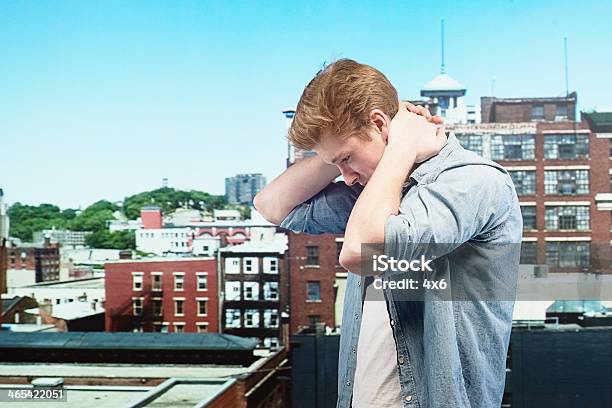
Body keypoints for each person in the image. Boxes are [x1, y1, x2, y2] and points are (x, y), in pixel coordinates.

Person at [254, 59, 522, 408]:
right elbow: (272, 205)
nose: (346, 176)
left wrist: (399, 147)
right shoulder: (375, 194)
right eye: (337, 164)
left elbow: (359, 254)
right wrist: (338, 150)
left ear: (380, 123)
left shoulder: (474, 181)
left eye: (347, 158)